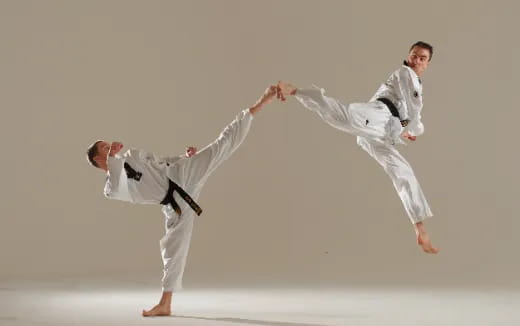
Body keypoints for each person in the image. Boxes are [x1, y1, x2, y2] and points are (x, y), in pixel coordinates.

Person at [86, 85, 279, 316]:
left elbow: (161, 163)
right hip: (174, 204)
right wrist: (113, 157)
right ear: (99, 160)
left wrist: (183, 157)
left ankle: (261, 102)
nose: (111, 149)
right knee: (173, 249)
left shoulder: (133, 155)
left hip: (182, 174)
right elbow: (119, 181)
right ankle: (165, 304)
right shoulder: (110, 188)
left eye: (109, 146)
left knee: (222, 145)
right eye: (105, 149)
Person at [277, 41, 439, 254]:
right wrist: (412, 129)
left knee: (403, 173)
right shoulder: (405, 73)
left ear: (427, 64)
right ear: (408, 56)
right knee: (344, 116)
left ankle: (420, 229)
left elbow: (405, 114)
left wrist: (403, 130)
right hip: (377, 117)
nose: (417, 60)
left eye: (422, 58)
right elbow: (412, 113)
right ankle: (296, 91)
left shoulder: (414, 83)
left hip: (384, 131)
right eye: (414, 55)